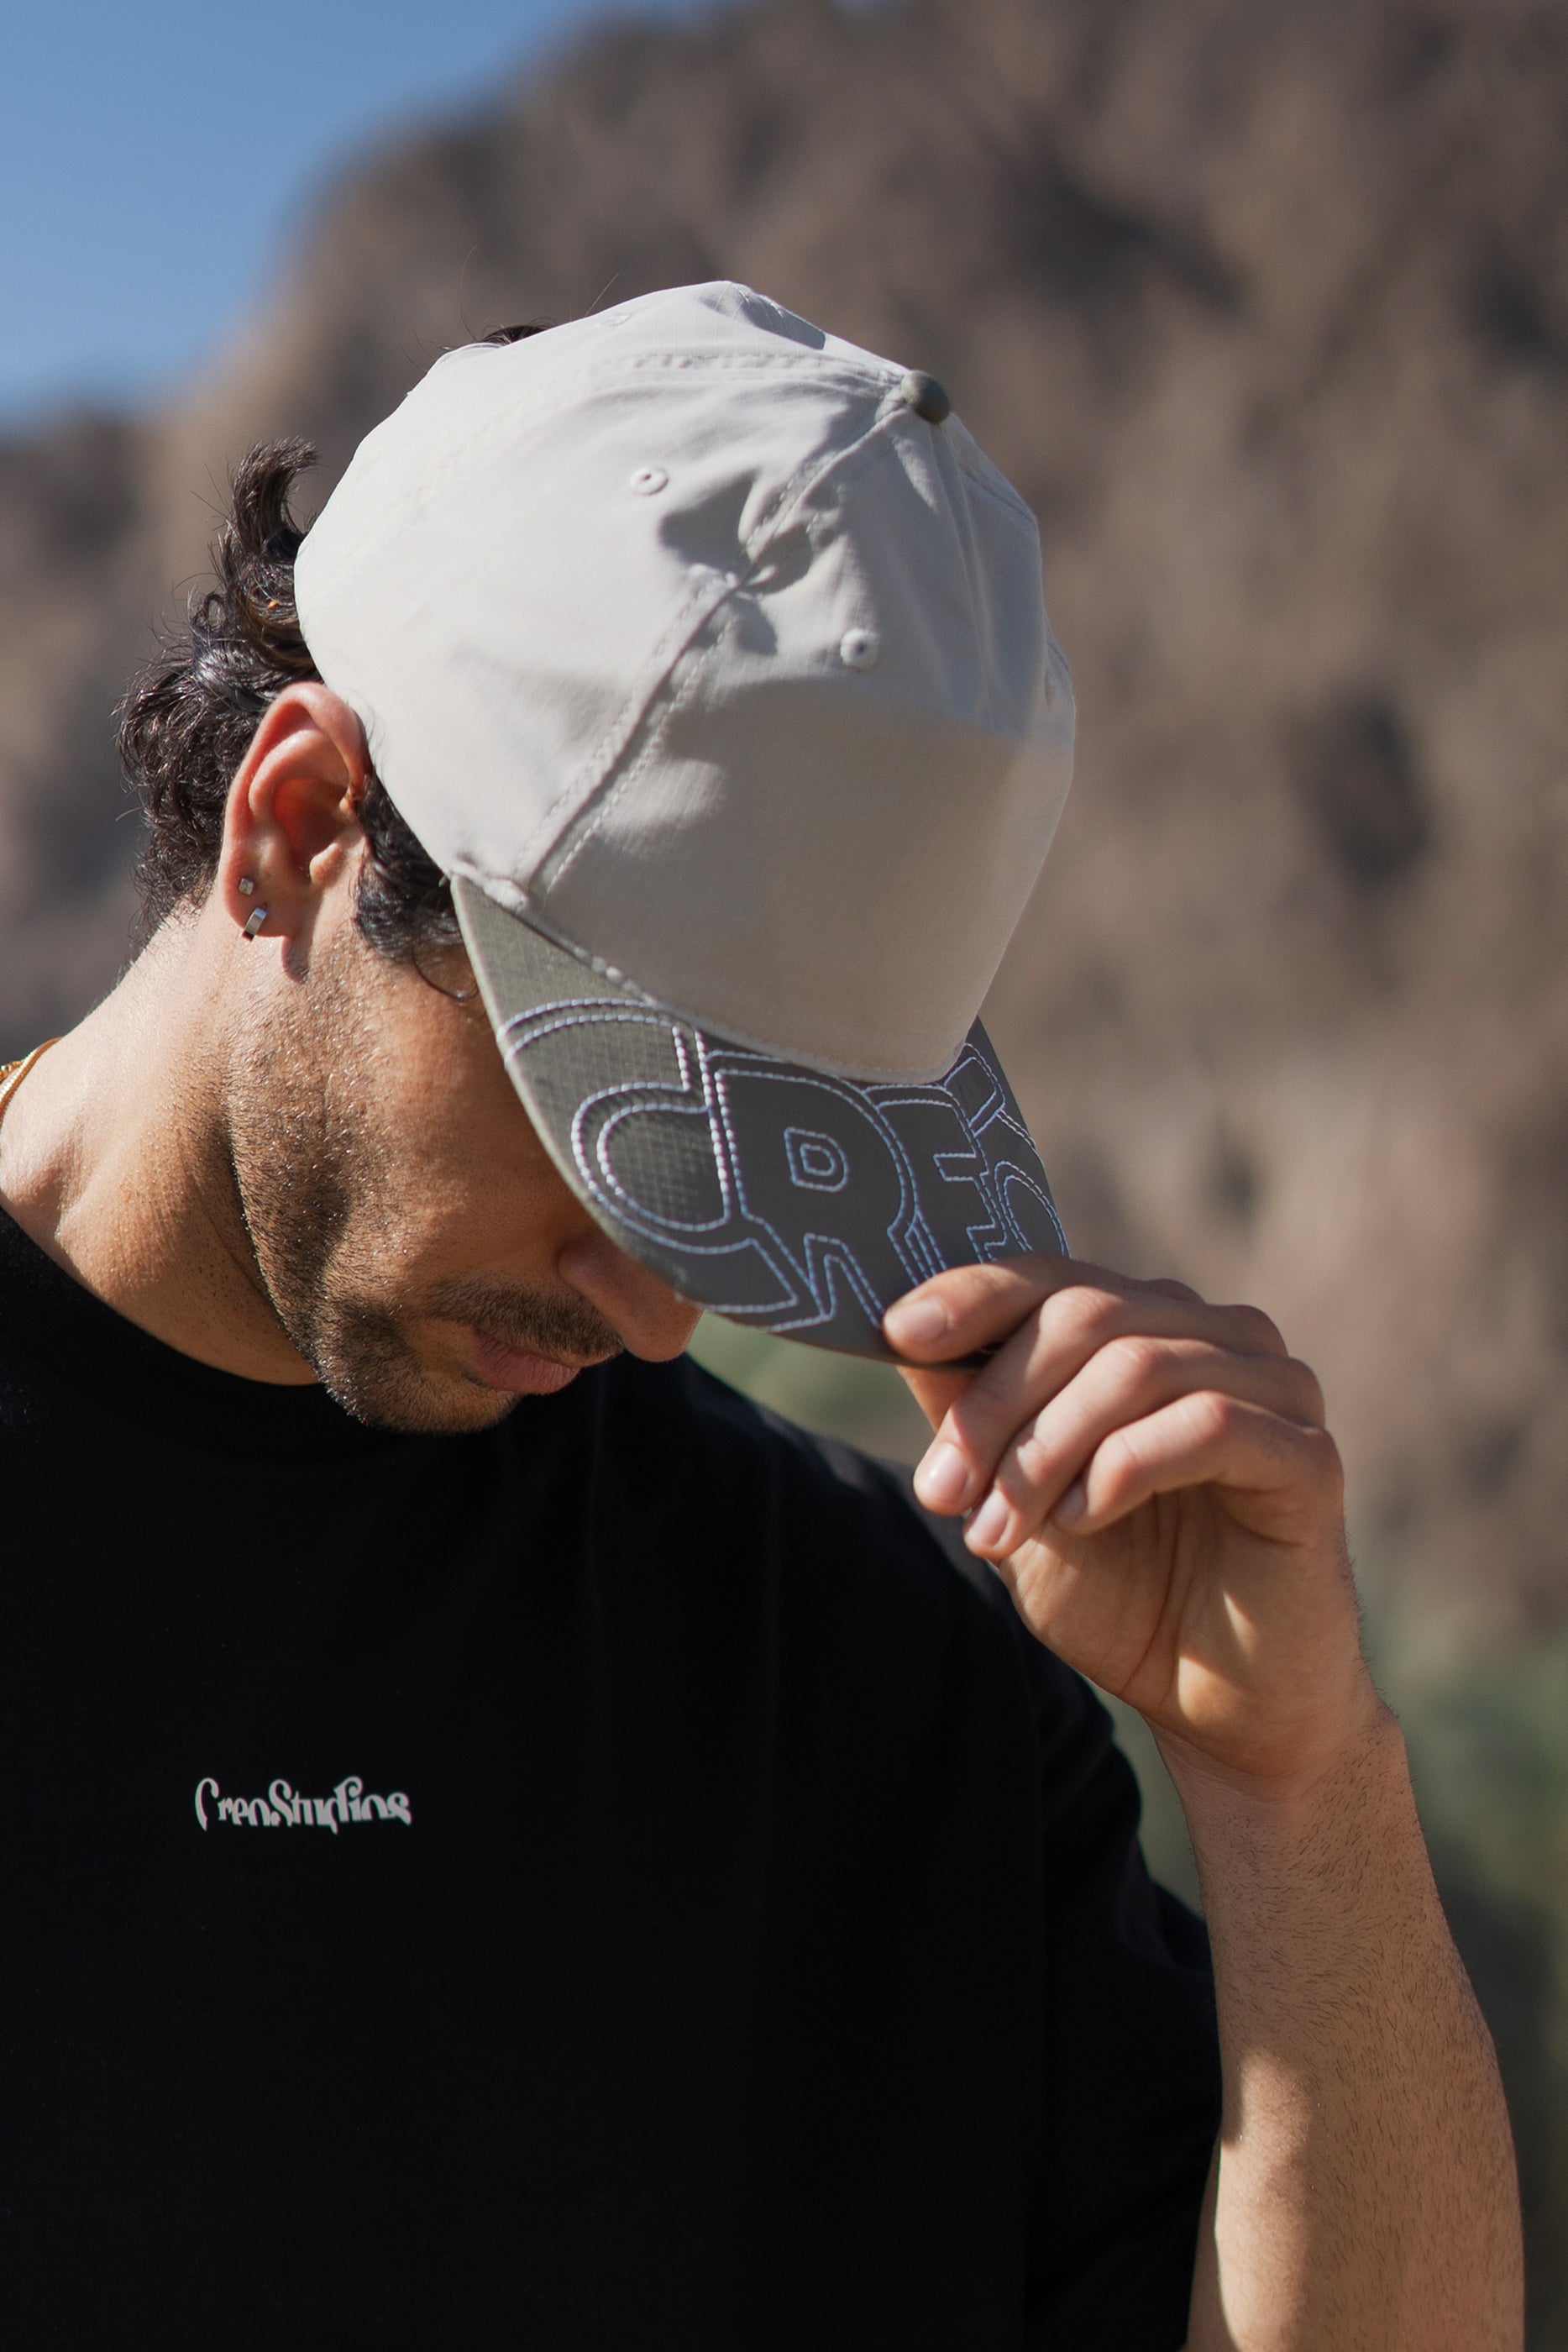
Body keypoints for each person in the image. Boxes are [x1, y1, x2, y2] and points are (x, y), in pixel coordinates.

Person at [0, 284, 1519, 2350]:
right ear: (294, 825)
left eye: (761, 1181)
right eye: (615, 1125)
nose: (656, 1310)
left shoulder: (872, 1675)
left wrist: (1299, 1789)